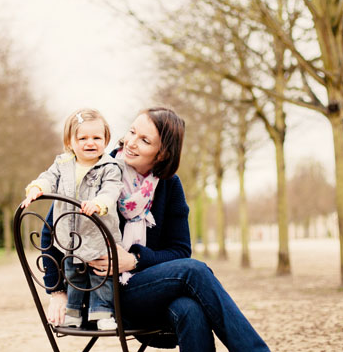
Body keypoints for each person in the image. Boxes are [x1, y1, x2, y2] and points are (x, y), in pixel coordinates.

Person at [40, 107, 271, 351]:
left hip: (144, 292)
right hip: (100, 296)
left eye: (145, 140)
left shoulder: (169, 185)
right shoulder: (98, 170)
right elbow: (50, 230)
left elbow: (180, 251)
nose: (131, 143)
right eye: (132, 132)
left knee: (189, 309)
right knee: (196, 271)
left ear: (162, 154)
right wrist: (56, 291)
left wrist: (134, 260)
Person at [22, 108, 123, 331]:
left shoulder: (110, 166)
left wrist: (99, 203)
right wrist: (38, 188)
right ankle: (74, 312)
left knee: (100, 276)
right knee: (73, 274)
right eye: (83, 138)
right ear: (70, 141)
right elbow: (48, 178)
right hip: (70, 238)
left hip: (99, 236)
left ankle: (103, 312)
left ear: (106, 139)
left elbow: (112, 190)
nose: (90, 143)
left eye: (97, 138)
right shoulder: (62, 164)